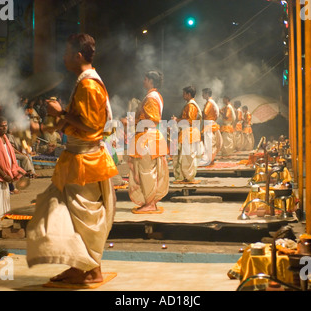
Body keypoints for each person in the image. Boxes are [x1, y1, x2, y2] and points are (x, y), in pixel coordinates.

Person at [26, 33, 118, 285]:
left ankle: (91, 270)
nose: (63, 57)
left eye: (66, 53)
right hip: (79, 158)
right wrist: (45, 128)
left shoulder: (88, 84)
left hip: (84, 161)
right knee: (69, 216)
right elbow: (76, 125)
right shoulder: (85, 81)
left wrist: (61, 111)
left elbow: (90, 127)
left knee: (82, 218)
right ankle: (80, 267)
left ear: (78, 55)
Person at [128, 70, 169, 213]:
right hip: (149, 137)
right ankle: (149, 202)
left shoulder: (151, 97)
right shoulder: (154, 96)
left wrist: (132, 122)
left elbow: (151, 121)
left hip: (148, 138)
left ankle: (150, 204)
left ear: (151, 81)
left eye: (145, 79)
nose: (143, 81)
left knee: (147, 172)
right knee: (147, 171)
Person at [0, 117, 26, 218]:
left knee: (4, 200)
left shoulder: (6, 138)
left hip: (4, 174)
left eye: (5, 126)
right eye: (1, 126)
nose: (4, 128)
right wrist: (3, 174)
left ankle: (2, 219)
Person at [172, 86, 201, 182]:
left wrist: (177, 120)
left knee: (186, 157)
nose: (183, 95)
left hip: (189, 133)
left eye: (184, 94)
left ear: (189, 94)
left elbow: (189, 121)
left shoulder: (191, 106)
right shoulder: (189, 105)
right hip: (188, 133)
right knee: (186, 156)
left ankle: (187, 177)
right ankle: (186, 176)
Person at [200, 88, 223, 165]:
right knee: (210, 143)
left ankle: (209, 159)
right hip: (211, 123)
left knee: (208, 143)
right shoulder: (212, 102)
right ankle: (210, 158)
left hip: (208, 124)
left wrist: (200, 113)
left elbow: (205, 114)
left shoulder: (209, 103)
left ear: (207, 94)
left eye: (203, 94)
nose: (202, 95)